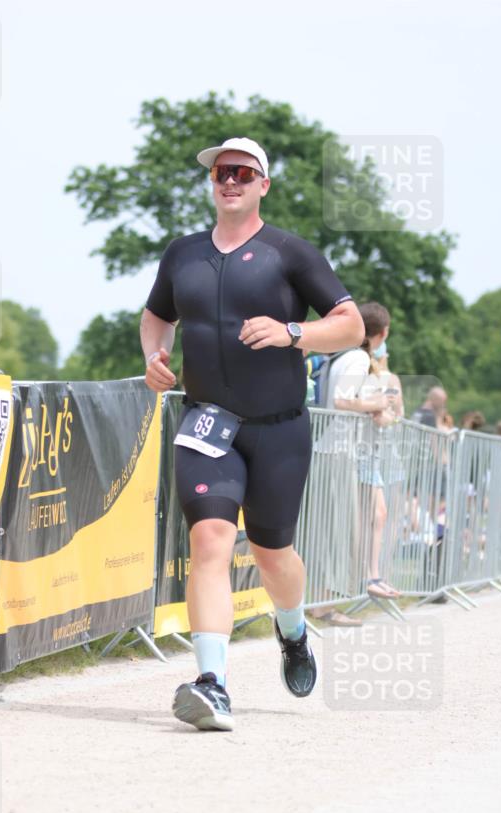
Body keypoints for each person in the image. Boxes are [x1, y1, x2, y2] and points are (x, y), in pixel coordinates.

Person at [141, 137, 363, 731]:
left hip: (279, 430)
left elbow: (351, 325)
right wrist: (154, 354)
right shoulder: (182, 254)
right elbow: (156, 314)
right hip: (207, 422)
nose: (229, 180)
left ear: (263, 184)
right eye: (220, 172)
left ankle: (291, 629)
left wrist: (293, 332)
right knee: (210, 541)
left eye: (242, 172)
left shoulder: (290, 252)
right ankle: (211, 683)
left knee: (272, 553)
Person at [327, 301, 403, 599]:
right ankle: (366, 578)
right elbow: (342, 400)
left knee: (377, 514)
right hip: (350, 448)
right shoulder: (358, 360)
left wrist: (380, 409)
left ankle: (371, 576)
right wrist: (377, 404)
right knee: (367, 517)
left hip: (357, 448)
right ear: (383, 333)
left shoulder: (357, 359)